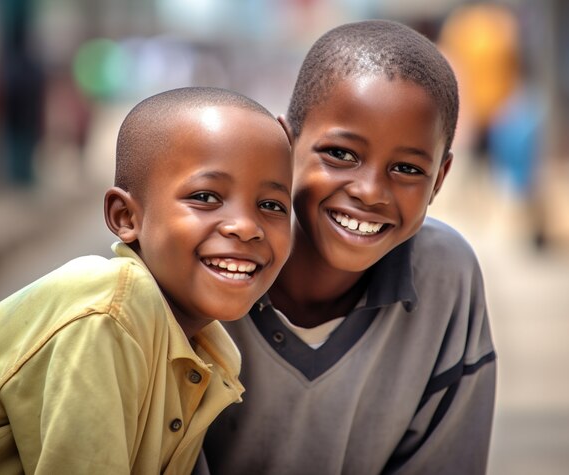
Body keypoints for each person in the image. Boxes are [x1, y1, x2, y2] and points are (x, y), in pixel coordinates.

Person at [202, 20, 496, 474]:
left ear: (439, 179)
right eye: (341, 154)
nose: (370, 191)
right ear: (286, 143)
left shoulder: (445, 279)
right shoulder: (209, 264)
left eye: (407, 169)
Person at [0, 87, 293, 474]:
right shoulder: (108, 315)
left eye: (272, 206)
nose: (246, 227)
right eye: (205, 196)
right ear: (125, 217)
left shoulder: (213, 350)